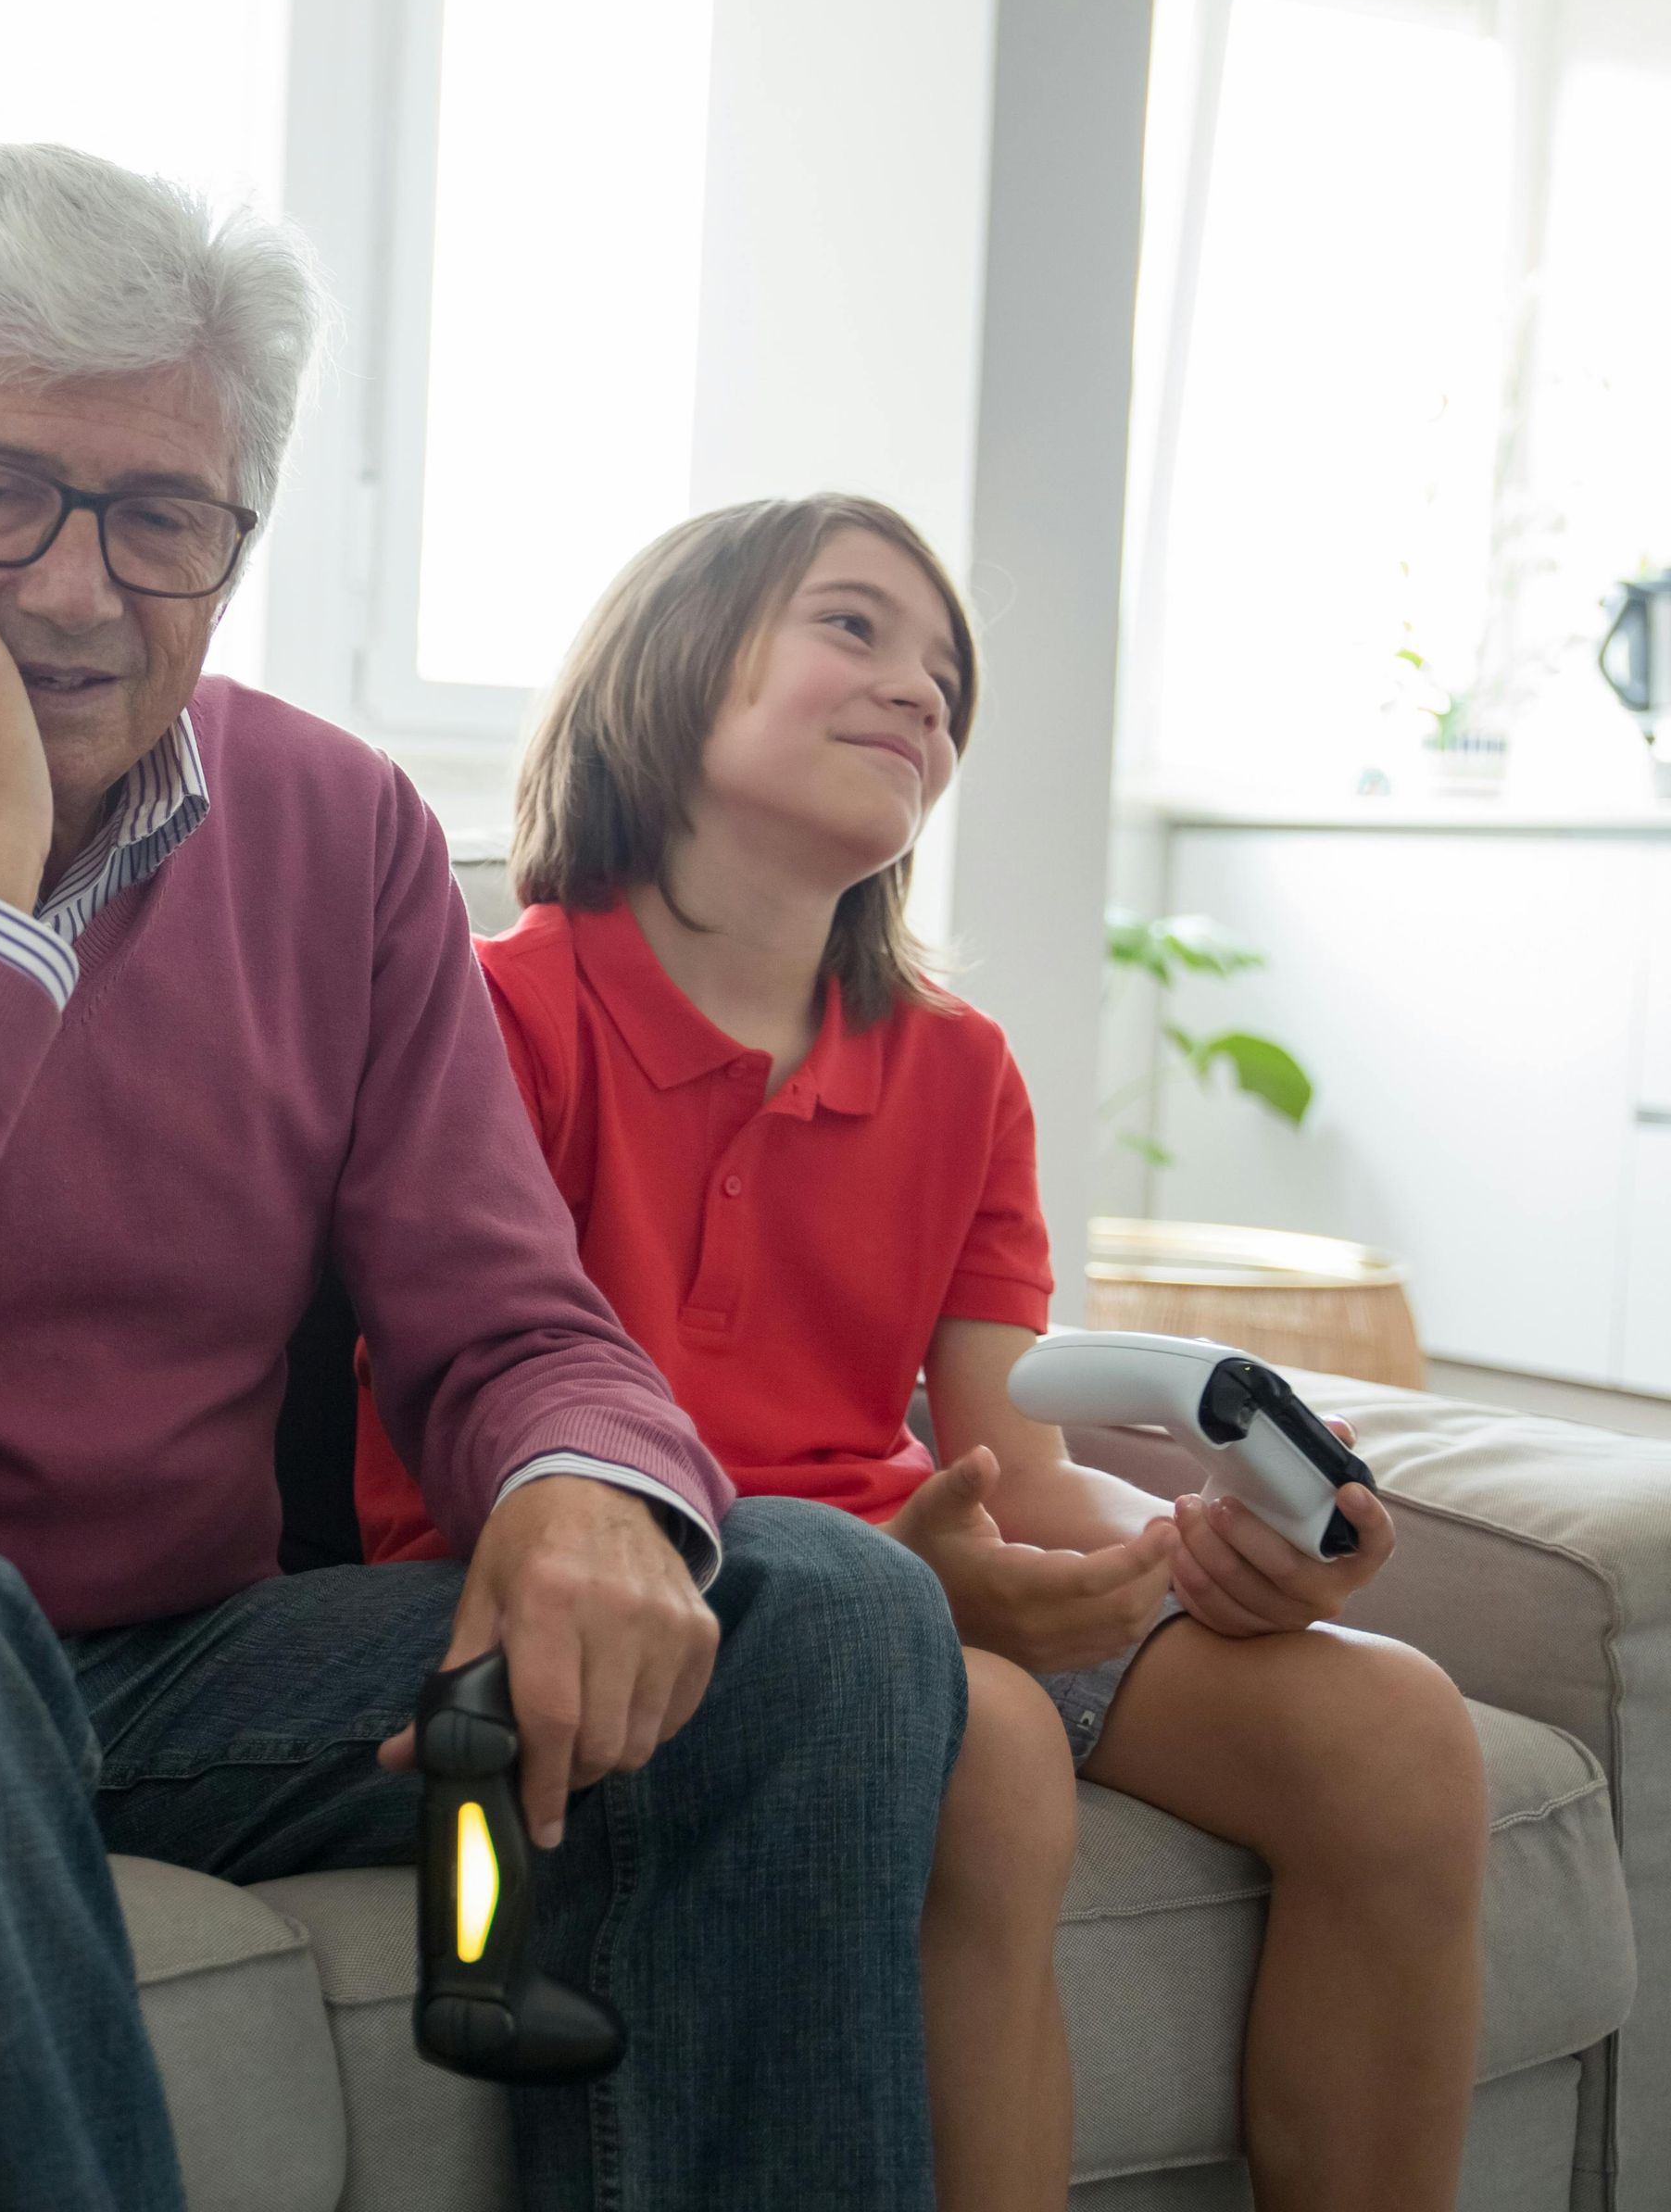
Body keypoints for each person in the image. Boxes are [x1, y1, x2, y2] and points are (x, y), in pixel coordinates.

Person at [0, 143, 970, 2211]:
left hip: (157, 1668)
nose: (76, 587)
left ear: (233, 545)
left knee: (825, 1601)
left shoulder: (340, 834)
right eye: (1, 491)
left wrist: (586, 1484)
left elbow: (508, 1311)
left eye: (158, 514)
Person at [353, 493, 1490, 2210]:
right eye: (856, 628)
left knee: (1404, 1736)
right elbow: (445, 1493)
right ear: (668, 670)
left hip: (927, 1565)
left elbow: (1011, 1456)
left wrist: (1199, 1555)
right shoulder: (496, 1021)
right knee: (995, 1750)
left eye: (948, 679)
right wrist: (915, 1583)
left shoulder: (961, 1076)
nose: (922, 695)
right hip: (671, 1592)